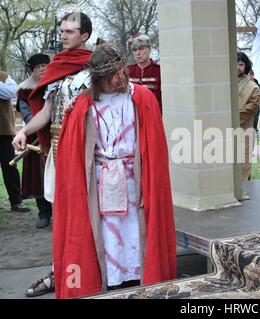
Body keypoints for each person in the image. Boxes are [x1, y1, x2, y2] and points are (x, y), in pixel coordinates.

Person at [52, 45, 176, 298]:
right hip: (99, 184)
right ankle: (111, 283)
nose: (119, 79)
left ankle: (138, 280)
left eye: (121, 72)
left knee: (134, 233)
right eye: (112, 75)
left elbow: (154, 147)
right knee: (106, 237)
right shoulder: (82, 104)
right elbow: (71, 152)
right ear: (98, 77)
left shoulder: (142, 97)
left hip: (135, 182)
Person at [12, 11, 93, 298]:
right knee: (61, 215)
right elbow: (46, 112)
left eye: (70, 31)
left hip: (88, 155)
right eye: (61, 31)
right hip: (59, 153)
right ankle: (63, 270)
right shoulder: (56, 68)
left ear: (84, 35)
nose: (63, 35)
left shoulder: (96, 69)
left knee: (87, 216)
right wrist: (24, 132)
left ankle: (89, 273)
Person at [16, 53, 53, 228]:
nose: (42, 70)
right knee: (39, 175)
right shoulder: (24, 90)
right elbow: (28, 115)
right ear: (33, 70)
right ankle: (44, 213)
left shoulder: (54, 85)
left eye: (45, 66)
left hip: (57, 134)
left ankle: (60, 212)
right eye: (39, 67)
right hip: (34, 137)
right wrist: (40, 126)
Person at [0, 71, 30, 213]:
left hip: (4, 130)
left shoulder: (4, 76)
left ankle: (16, 202)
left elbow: (11, 93)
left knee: (10, 166)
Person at [237, 52, 260, 181]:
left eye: (241, 64)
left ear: (246, 66)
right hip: (222, 132)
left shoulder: (253, 88)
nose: (237, 67)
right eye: (235, 64)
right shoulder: (223, 85)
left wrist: (229, 118)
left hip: (244, 131)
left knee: (243, 162)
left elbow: (251, 109)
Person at [127, 34, 162, 113]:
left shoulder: (159, 71)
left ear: (149, 49)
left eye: (141, 48)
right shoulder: (128, 71)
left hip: (154, 115)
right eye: (134, 50)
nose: (138, 53)